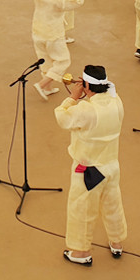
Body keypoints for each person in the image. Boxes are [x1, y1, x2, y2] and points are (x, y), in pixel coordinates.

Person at [54, 65, 127, 266]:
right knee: (113, 205)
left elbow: (62, 117)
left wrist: (73, 97)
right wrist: (87, 89)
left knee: (82, 210)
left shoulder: (85, 110)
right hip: (111, 165)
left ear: (86, 85)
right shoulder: (117, 102)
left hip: (89, 170)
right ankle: (117, 242)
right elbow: (109, 93)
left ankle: (81, 252)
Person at [31, 0, 84, 98]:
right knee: (63, 61)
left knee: (45, 60)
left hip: (37, 34)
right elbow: (79, 1)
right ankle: (42, 84)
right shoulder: (58, 2)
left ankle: (47, 88)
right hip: (53, 36)